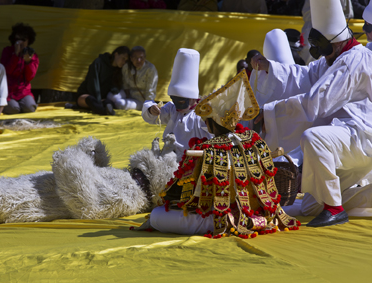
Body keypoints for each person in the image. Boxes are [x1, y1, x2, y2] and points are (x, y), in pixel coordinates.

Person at [251, 0, 372, 227]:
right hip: (349, 138)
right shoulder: (334, 58)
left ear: (335, 43)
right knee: (311, 206)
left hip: (362, 136)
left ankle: (335, 210)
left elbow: (318, 101)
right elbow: (304, 75)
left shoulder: (352, 60)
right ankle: (352, 199)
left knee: (314, 138)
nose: (320, 55)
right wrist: (272, 67)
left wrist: (270, 110)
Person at [143, 70, 300, 238]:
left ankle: (229, 220)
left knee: (158, 215)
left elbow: (185, 195)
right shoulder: (254, 140)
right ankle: (250, 217)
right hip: (258, 210)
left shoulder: (207, 150)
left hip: (218, 215)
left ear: (211, 122)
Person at [142, 48, 213, 160]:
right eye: (173, 99)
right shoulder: (172, 108)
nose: (177, 105)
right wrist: (151, 110)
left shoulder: (202, 115)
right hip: (169, 157)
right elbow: (151, 117)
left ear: (191, 98)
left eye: (180, 101)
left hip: (192, 161)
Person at [68, 46, 130, 116]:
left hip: (101, 99)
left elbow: (114, 87)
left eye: (126, 60)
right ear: (116, 54)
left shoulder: (119, 70)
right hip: (86, 95)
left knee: (109, 102)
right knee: (91, 100)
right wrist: (98, 100)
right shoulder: (98, 62)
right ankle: (104, 111)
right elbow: (92, 83)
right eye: (123, 58)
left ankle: (102, 109)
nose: (124, 62)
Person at [1, 23, 39, 114]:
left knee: (29, 108)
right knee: (14, 109)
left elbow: (30, 77)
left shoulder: (32, 55)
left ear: (28, 41)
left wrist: (27, 62)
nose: (20, 42)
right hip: (8, 91)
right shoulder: (7, 51)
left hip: (24, 92)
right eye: (18, 39)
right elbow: (6, 71)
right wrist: (15, 55)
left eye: (23, 39)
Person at [107, 46, 158, 111]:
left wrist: (148, 106)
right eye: (135, 58)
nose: (139, 60)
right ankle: (107, 106)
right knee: (110, 96)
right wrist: (127, 95)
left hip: (141, 100)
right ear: (131, 58)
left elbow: (151, 91)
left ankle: (111, 107)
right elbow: (125, 83)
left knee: (120, 103)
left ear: (145, 58)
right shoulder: (126, 67)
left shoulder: (150, 69)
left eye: (141, 58)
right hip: (129, 95)